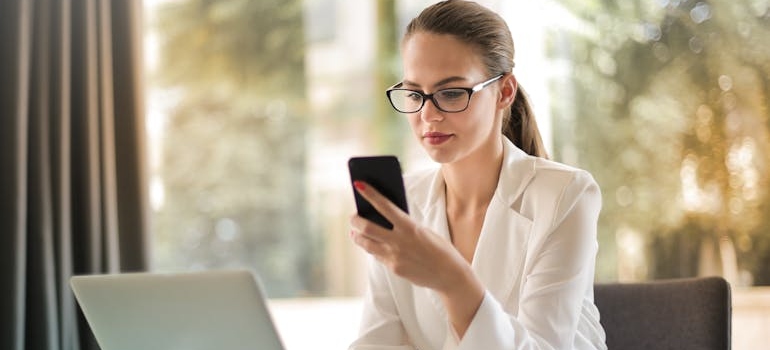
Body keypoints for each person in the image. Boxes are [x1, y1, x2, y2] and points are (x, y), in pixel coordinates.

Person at [348, 1, 607, 349]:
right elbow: (376, 343)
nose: (428, 114)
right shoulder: (404, 203)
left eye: (451, 93)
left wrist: (454, 283)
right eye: (415, 93)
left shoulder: (566, 195)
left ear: (504, 92)